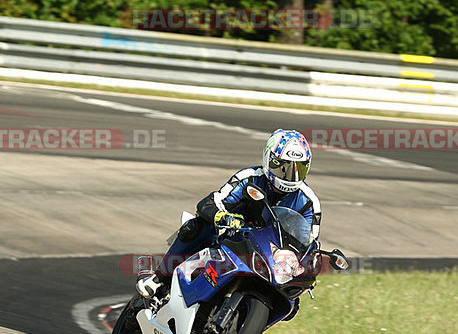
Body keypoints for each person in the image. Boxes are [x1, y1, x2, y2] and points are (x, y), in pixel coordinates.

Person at [137, 128, 321, 298]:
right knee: (197, 226)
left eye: (299, 169)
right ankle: (159, 278)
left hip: (271, 256)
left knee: (294, 293)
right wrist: (223, 217)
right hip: (233, 237)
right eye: (283, 167)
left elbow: (309, 241)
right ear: (268, 160)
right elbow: (210, 203)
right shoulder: (249, 177)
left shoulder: (309, 202)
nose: (290, 176)